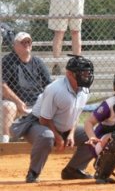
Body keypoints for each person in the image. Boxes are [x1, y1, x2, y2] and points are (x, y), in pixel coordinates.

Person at [11, 55, 95, 183]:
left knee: (92, 135)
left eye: (88, 73)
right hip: (37, 124)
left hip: (63, 127)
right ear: (69, 74)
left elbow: (75, 114)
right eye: (82, 73)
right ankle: (33, 173)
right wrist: (58, 137)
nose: (86, 76)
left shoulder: (85, 90)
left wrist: (71, 134)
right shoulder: (56, 89)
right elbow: (44, 120)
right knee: (47, 136)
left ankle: (73, 170)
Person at [1, 32, 51, 143]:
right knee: (8, 106)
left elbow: (49, 85)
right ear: (15, 46)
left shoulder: (38, 62)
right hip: (16, 103)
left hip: (36, 103)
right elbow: (3, 85)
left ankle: (47, 138)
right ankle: (5, 143)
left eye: (29, 42)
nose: (27, 44)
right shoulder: (8, 61)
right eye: (23, 42)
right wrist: (18, 102)